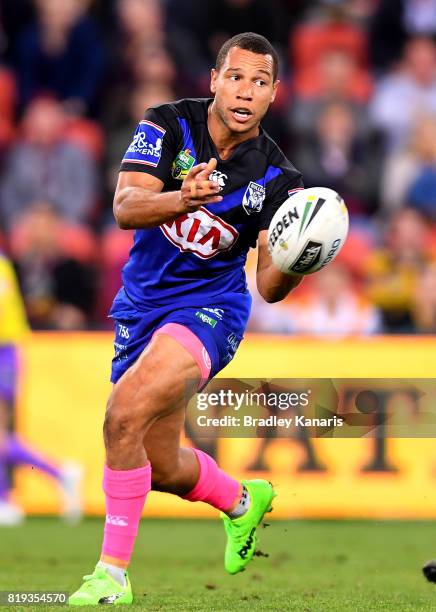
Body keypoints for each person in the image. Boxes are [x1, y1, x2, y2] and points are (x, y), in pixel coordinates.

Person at [69, 32, 305, 606]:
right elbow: (126, 207)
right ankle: (243, 504)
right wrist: (183, 198)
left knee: (120, 414)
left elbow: (271, 287)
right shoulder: (167, 123)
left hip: (211, 311)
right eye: (237, 77)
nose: (246, 90)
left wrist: (301, 257)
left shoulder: (279, 180)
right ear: (214, 80)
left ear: (274, 95)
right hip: (140, 306)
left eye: (260, 81)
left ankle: (111, 576)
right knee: (161, 463)